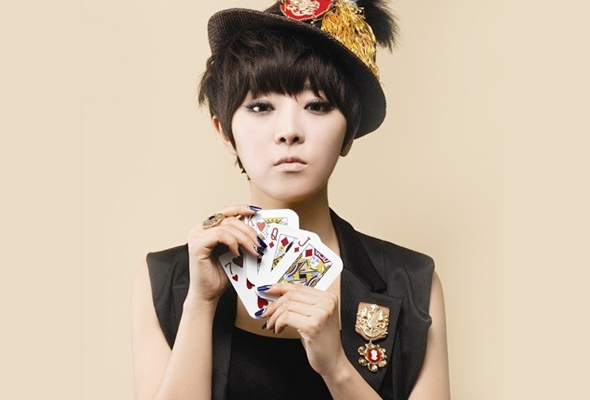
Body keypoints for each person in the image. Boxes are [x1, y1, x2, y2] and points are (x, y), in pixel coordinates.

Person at [131, 1, 450, 399]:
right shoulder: (164, 280)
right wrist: (200, 302)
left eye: (317, 106)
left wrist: (337, 369)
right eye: (261, 107)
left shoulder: (412, 282)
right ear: (224, 132)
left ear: (349, 132)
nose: (289, 131)